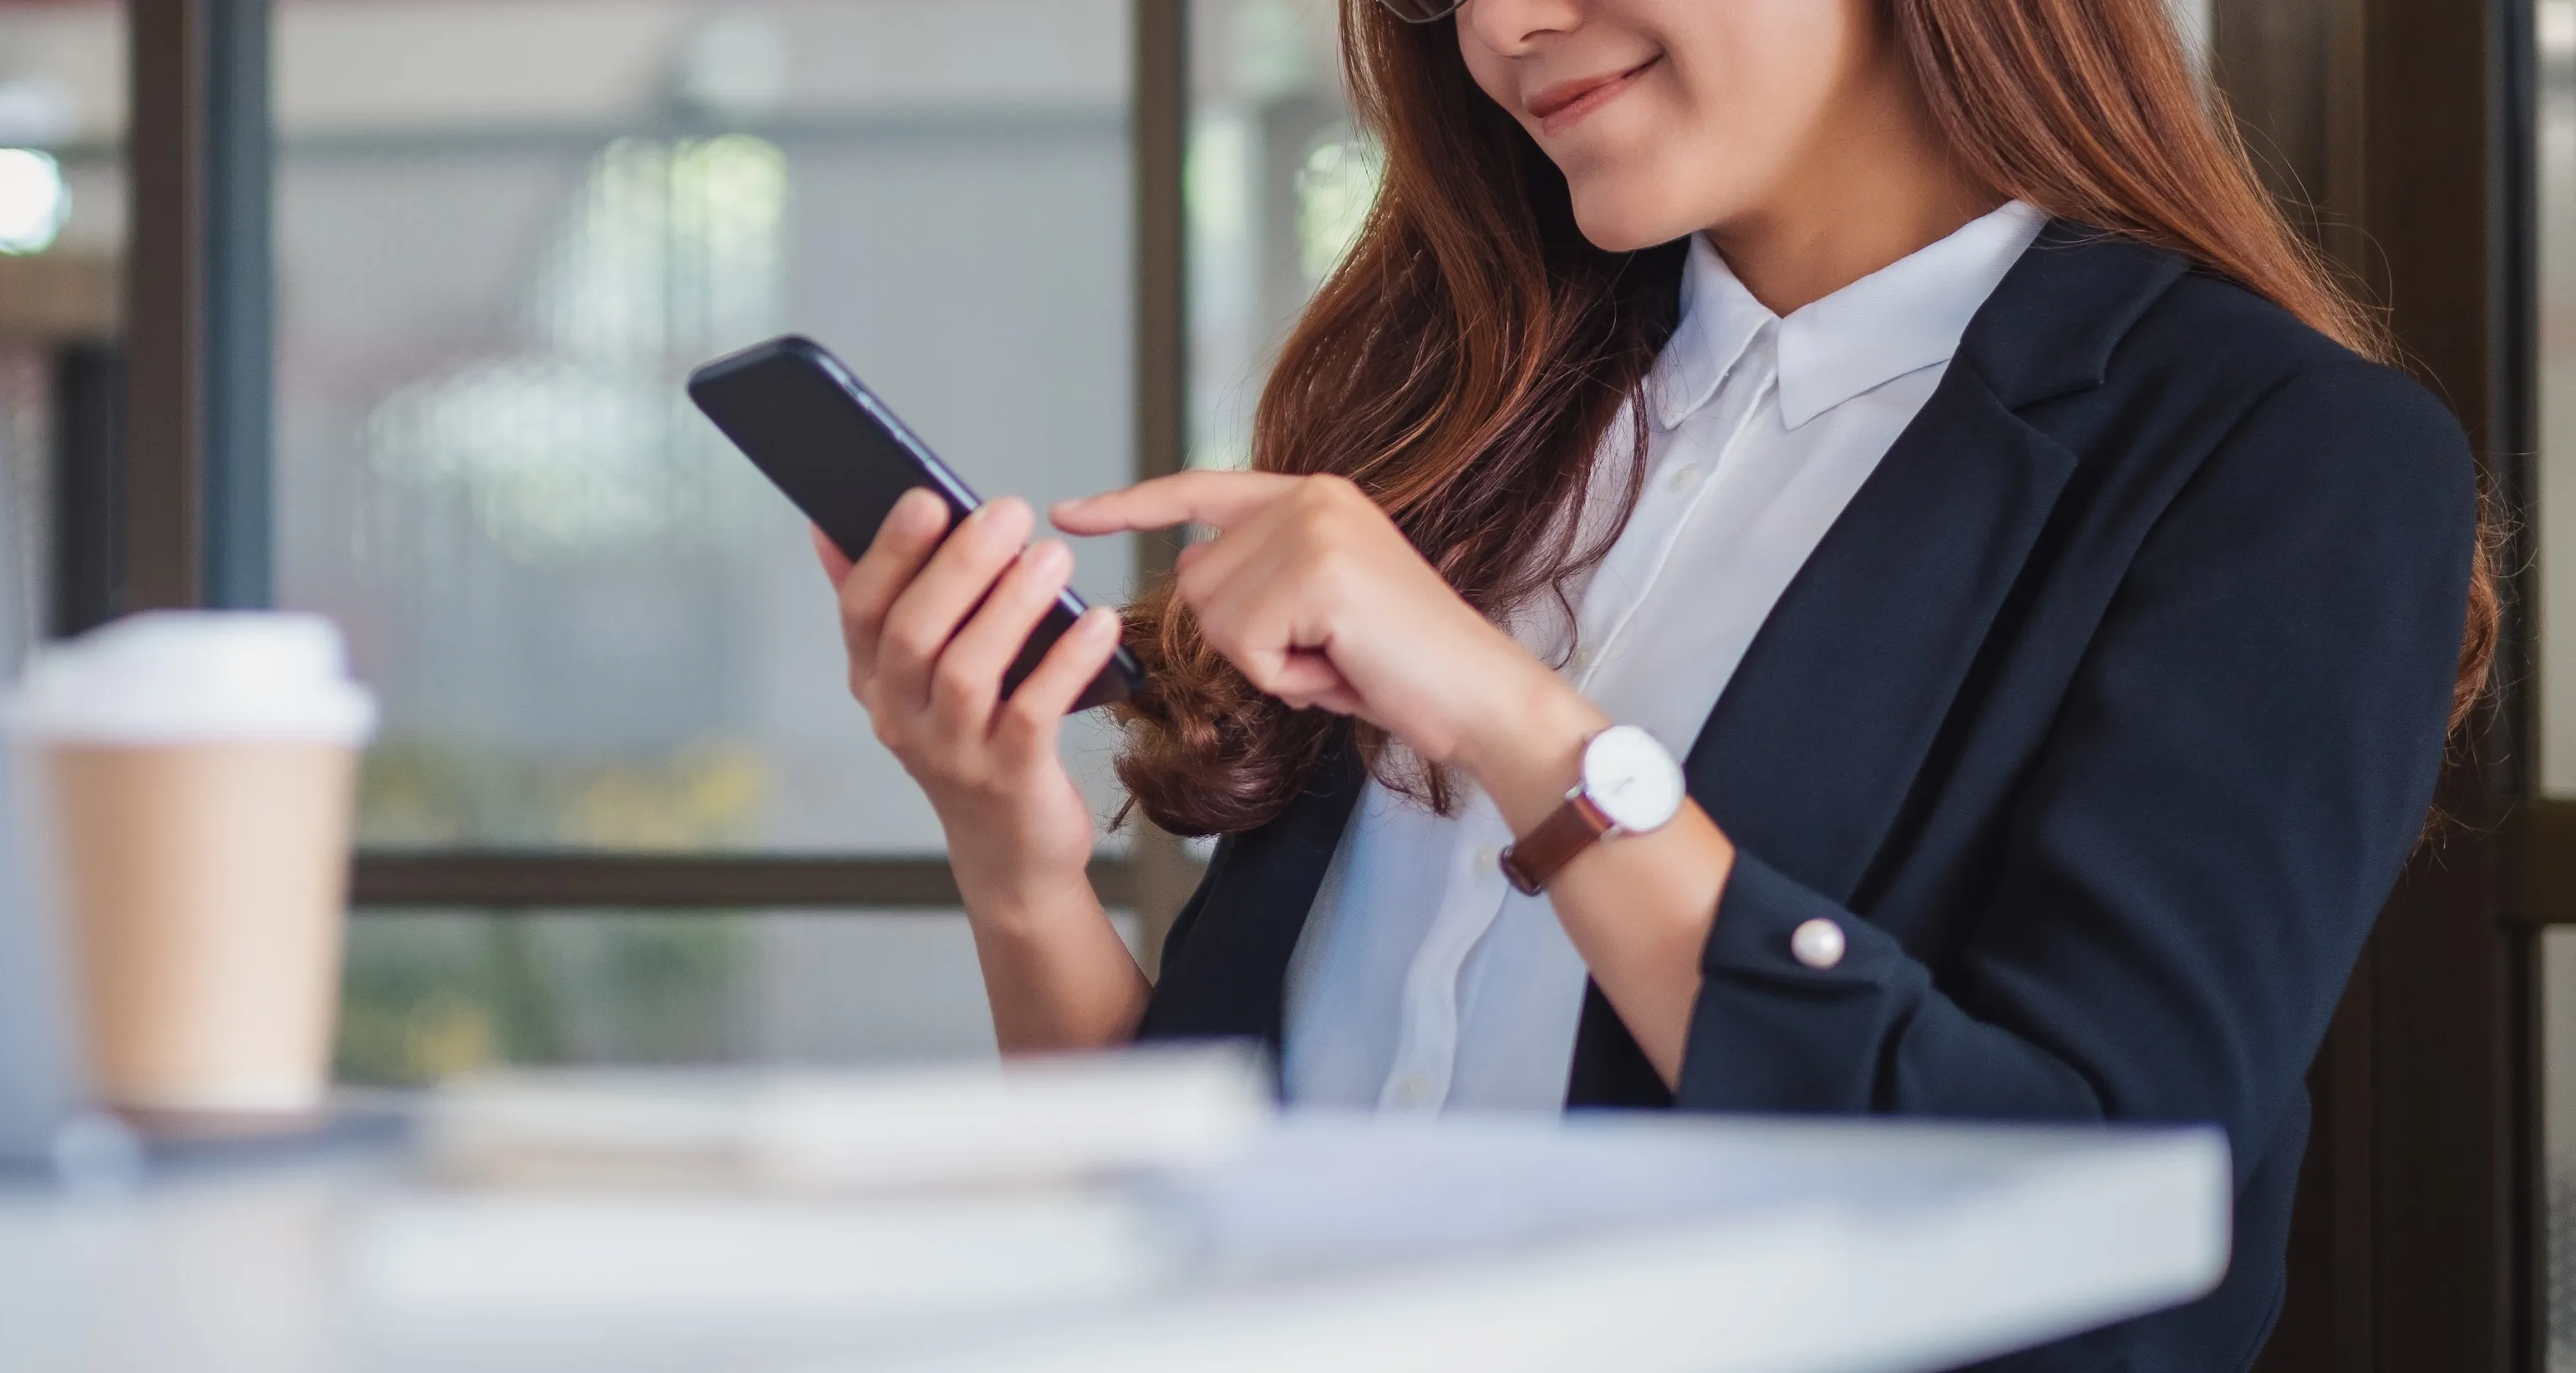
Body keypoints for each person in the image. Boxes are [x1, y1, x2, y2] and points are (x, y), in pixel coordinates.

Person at [809, 0, 2490, 1367]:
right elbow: (1215, 1205)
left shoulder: (2279, 460)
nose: (1503, 28)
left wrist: (1520, 724)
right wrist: (1009, 847)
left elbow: (2109, 1211)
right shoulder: (1462, 425)